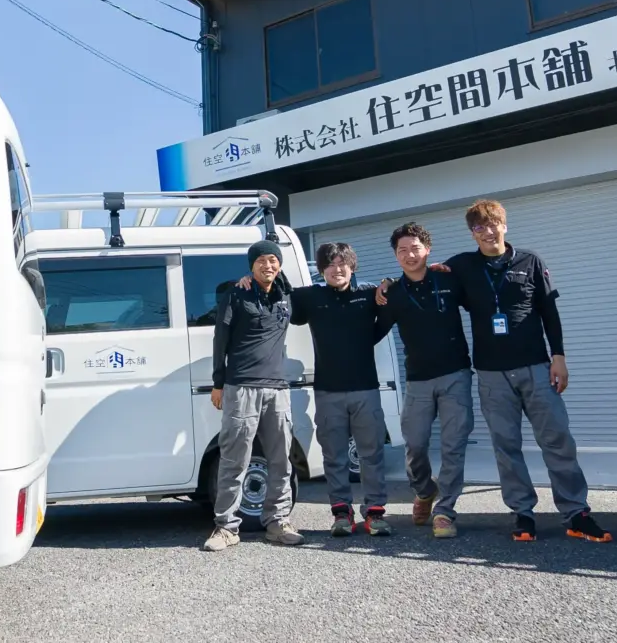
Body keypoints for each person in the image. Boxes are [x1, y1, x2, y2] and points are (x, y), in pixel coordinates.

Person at [377, 200, 612, 543]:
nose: (487, 232)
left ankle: (576, 512)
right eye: (478, 228)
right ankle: (522, 513)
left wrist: (558, 355)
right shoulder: (461, 267)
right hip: (490, 373)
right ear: (472, 234)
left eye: (492, 225)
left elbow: (549, 310)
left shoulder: (530, 261)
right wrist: (386, 283)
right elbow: (421, 276)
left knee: (558, 439)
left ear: (504, 225)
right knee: (506, 446)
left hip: (536, 366)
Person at [237, 242, 393, 537]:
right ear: (321, 270)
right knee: (334, 456)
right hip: (327, 391)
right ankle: (341, 514)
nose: (337, 269)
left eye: (342, 264)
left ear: (352, 266)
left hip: (366, 390)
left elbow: (398, 293)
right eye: (330, 265)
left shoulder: (369, 294)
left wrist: (392, 281)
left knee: (371, 453)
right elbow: (277, 292)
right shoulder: (311, 297)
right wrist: (249, 282)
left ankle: (375, 513)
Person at [203, 239, 305, 551]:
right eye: (261, 260)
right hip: (241, 387)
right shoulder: (236, 293)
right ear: (251, 265)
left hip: (277, 388)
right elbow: (221, 339)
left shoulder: (286, 296)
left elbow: (322, 292)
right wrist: (218, 383)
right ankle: (226, 527)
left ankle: (278, 523)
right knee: (234, 459)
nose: (268, 265)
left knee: (280, 460)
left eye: (273, 260)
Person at [374, 222, 474, 539]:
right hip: (418, 380)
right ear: (395, 255)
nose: (409, 254)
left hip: (456, 375)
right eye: (402, 250)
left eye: (415, 248)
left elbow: (481, 296)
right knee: (415, 444)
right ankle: (424, 489)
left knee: (453, 444)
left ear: (427, 249)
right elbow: (373, 332)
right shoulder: (393, 293)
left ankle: (445, 511)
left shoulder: (447, 278)